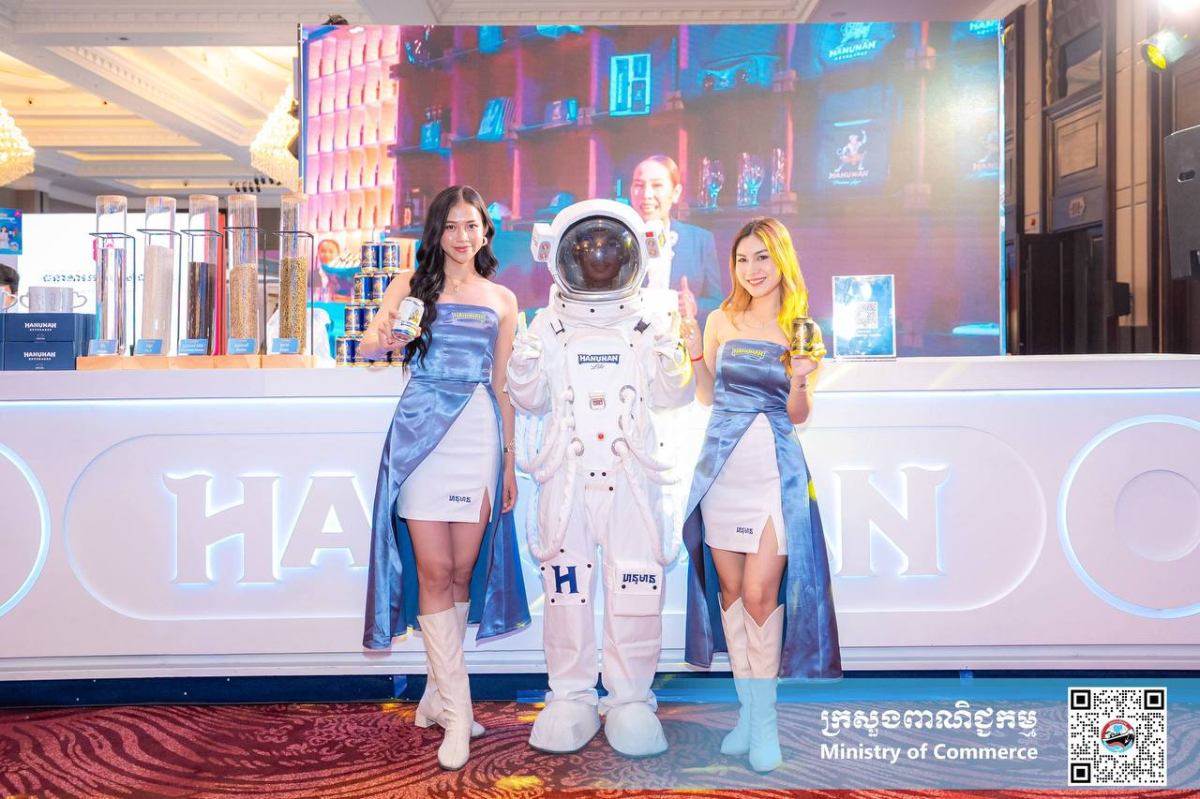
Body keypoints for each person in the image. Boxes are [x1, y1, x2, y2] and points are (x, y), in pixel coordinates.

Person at [507, 198, 695, 758]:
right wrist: (523, 361)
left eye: (611, 245)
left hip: (632, 477)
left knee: (636, 586)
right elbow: (530, 398)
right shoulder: (548, 323)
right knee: (565, 590)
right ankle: (570, 696)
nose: (599, 255)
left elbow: (674, 394)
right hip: (566, 478)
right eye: (587, 245)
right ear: (562, 255)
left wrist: (672, 348)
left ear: (633, 253)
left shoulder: (649, 321)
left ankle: (630, 698)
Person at [360, 185, 530, 771]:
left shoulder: (503, 299)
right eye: (452, 226)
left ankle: (437, 697)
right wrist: (388, 339)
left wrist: (508, 460)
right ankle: (459, 714)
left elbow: (503, 386)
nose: (462, 236)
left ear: (485, 232)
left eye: (472, 225)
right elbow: (368, 347)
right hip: (421, 432)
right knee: (433, 569)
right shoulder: (412, 285)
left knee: (462, 570)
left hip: (478, 432)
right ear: (437, 232)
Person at [677, 217, 841, 773]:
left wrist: (801, 376)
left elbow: (799, 414)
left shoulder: (802, 327)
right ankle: (747, 716)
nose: (752, 269)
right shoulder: (720, 318)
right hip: (721, 467)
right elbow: (707, 397)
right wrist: (693, 353)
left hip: (773, 469)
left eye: (762, 257)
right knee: (729, 591)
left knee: (758, 594)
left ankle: (765, 722)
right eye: (743, 259)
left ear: (781, 259)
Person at [630, 155, 724, 320]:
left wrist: (695, 305)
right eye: (639, 185)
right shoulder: (617, 240)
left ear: (676, 193)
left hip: (682, 334)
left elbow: (717, 303)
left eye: (657, 185)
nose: (646, 194)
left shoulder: (700, 240)